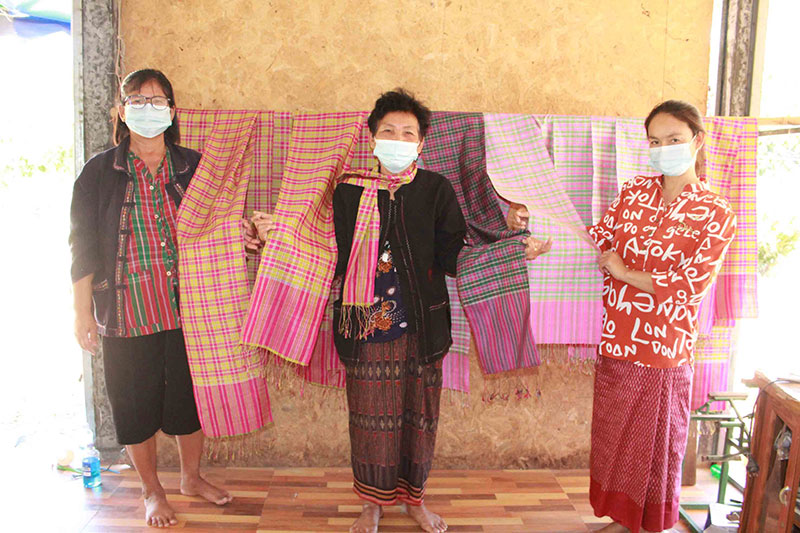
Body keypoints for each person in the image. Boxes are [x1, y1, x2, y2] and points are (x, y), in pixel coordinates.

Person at [507, 100, 736, 533]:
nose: (664, 149)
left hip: (664, 347)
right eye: (655, 141)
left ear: (697, 141)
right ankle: (623, 519)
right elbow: (595, 237)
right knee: (617, 436)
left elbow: (690, 286)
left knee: (653, 442)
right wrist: (535, 228)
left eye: (674, 139)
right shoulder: (634, 192)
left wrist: (626, 273)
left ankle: (646, 523)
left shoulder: (716, 212)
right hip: (618, 335)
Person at [334, 89, 551, 533]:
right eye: (388, 131)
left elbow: (455, 254)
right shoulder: (348, 191)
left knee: (420, 418)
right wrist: (274, 238)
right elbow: (328, 251)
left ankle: (415, 500)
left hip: (423, 323)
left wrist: (509, 252)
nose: (397, 140)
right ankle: (372, 505)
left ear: (421, 143)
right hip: (365, 324)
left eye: (407, 133)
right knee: (371, 419)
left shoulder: (436, 189)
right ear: (372, 139)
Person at [70, 69, 232, 528]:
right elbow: (82, 245)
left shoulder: (194, 166)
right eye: (137, 100)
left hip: (189, 307)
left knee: (189, 396)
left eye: (158, 101)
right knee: (133, 402)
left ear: (172, 111)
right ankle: (151, 491)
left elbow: (218, 226)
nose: (148, 109)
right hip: (126, 309)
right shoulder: (99, 172)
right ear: (121, 112)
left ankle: (191, 478)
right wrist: (81, 311)